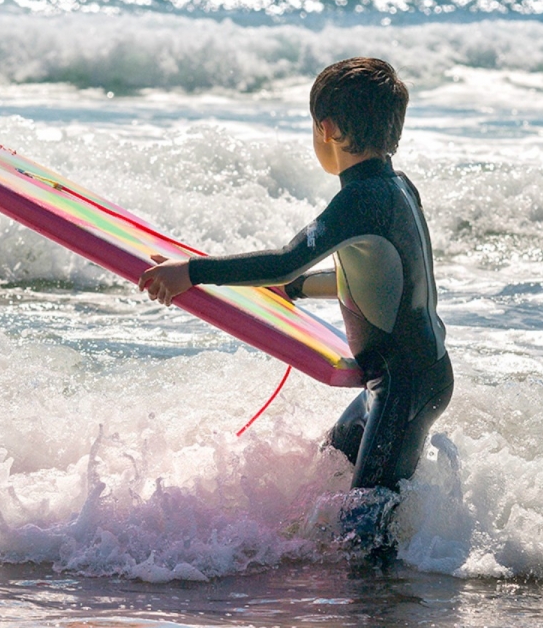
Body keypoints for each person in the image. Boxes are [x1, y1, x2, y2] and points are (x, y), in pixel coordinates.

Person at [138, 57, 453, 492]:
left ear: (326, 129)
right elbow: (379, 282)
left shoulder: (360, 198)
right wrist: (295, 289)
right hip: (420, 372)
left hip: (402, 383)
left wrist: (192, 272)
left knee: (365, 521)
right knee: (331, 466)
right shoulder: (397, 186)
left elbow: (287, 257)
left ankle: (380, 561)